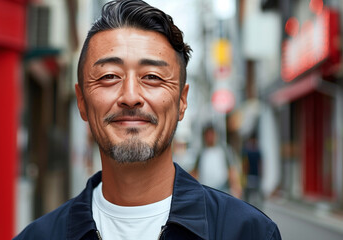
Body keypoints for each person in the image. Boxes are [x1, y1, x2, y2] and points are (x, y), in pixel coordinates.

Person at [14, 0, 281, 239]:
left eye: (152, 77)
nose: (131, 96)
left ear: (182, 101)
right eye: (109, 76)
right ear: (82, 101)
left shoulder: (249, 231)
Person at [191, 124, 243, 198]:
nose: (210, 137)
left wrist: (236, 186)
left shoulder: (224, 151)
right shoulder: (201, 153)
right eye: (208, 135)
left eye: (212, 134)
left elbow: (231, 169)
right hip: (205, 191)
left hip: (222, 190)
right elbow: (195, 172)